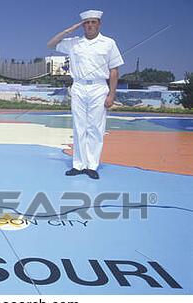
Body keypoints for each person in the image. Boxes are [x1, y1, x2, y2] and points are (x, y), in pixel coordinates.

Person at [47, 10, 124, 179]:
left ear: (99, 24)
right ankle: (78, 165)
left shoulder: (109, 43)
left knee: (96, 128)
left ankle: (92, 166)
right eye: (86, 22)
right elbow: (50, 44)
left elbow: (114, 70)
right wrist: (69, 30)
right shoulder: (74, 43)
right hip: (79, 87)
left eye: (93, 22)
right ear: (82, 25)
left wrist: (111, 94)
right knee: (79, 127)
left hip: (98, 88)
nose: (90, 25)